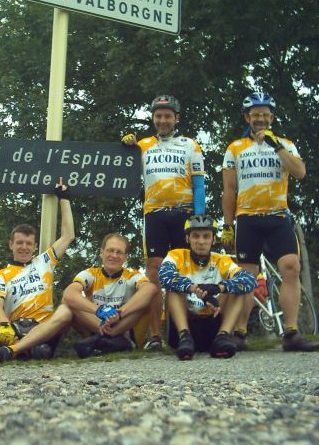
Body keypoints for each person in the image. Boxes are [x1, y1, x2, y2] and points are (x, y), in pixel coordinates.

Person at [221, 92, 319, 352]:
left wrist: (277, 146)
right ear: (247, 117)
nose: (261, 119)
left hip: (278, 216)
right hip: (248, 218)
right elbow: (229, 189)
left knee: (291, 267)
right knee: (246, 277)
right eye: (256, 115)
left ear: (272, 117)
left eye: (265, 114)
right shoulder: (235, 148)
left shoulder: (285, 143)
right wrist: (228, 225)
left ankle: (291, 332)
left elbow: (300, 173)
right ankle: (240, 333)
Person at [122, 95, 206, 350]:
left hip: (184, 214)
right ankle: (156, 335)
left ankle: (188, 330)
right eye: (158, 115)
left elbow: (199, 183)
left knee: (186, 270)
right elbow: (122, 169)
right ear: (153, 118)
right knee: (154, 271)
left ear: (176, 118)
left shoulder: (190, 145)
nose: (163, 120)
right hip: (155, 213)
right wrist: (125, 146)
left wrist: (198, 219)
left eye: (168, 115)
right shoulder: (143, 145)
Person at [0, 182, 75, 362]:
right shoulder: (1, 274)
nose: (24, 247)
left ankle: (13, 350)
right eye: (19, 243)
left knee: (65, 311)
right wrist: (7, 326)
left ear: (34, 247)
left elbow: (68, 235)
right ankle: (27, 348)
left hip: (43, 328)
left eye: (29, 244)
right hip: (13, 329)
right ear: (11, 245)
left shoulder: (44, 261)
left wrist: (64, 199)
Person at [159, 215, 256, 360]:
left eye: (206, 236)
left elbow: (249, 281)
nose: (201, 241)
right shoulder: (176, 255)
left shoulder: (222, 260)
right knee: (172, 288)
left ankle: (223, 336)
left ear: (213, 240)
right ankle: (184, 336)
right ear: (187, 239)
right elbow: (164, 275)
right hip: (185, 326)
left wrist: (219, 288)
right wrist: (194, 289)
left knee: (240, 288)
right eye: (195, 236)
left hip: (214, 322)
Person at [62, 233, 158, 358]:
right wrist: (98, 310)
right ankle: (107, 338)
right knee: (67, 302)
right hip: (96, 324)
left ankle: (110, 338)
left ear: (125, 257)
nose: (114, 255)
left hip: (123, 325)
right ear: (101, 252)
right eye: (110, 251)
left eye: (119, 252)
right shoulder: (90, 273)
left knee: (149, 298)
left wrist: (119, 313)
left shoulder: (132, 275)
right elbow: (69, 293)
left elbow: (150, 288)